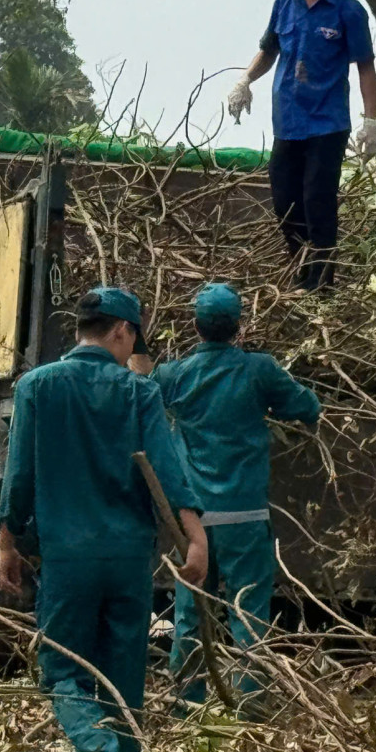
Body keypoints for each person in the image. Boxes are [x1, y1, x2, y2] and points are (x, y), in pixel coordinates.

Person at [0, 287, 208, 752]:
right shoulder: (138, 393)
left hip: (67, 557)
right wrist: (196, 537)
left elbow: (19, 475)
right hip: (129, 557)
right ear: (122, 331)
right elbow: (166, 469)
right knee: (122, 673)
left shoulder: (37, 387)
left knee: (62, 670)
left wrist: (6, 541)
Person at [150, 284, 321, 710]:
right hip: (244, 517)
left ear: (195, 327)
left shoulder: (174, 375)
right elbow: (306, 406)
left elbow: (142, 392)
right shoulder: (259, 371)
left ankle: (186, 704)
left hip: (196, 523)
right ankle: (251, 705)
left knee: (191, 613)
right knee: (247, 613)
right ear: (239, 328)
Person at [226, 0, 376, 289]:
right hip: (288, 122)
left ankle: (322, 282)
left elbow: (365, 68)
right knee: (284, 202)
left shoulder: (349, 11)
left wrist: (371, 121)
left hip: (327, 122)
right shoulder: (284, 5)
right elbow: (268, 50)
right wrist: (245, 80)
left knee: (318, 199)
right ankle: (299, 267)